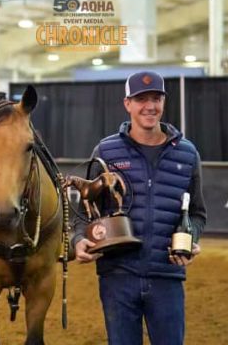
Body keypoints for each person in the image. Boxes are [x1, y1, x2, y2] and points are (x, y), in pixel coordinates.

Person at [72, 70, 207, 345]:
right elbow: (85, 212)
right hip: (117, 278)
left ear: (164, 102)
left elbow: (197, 213)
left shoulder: (187, 154)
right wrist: (78, 239)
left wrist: (190, 237)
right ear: (128, 104)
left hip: (167, 277)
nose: (150, 106)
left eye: (156, 98)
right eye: (141, 99)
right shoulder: (106, 152)